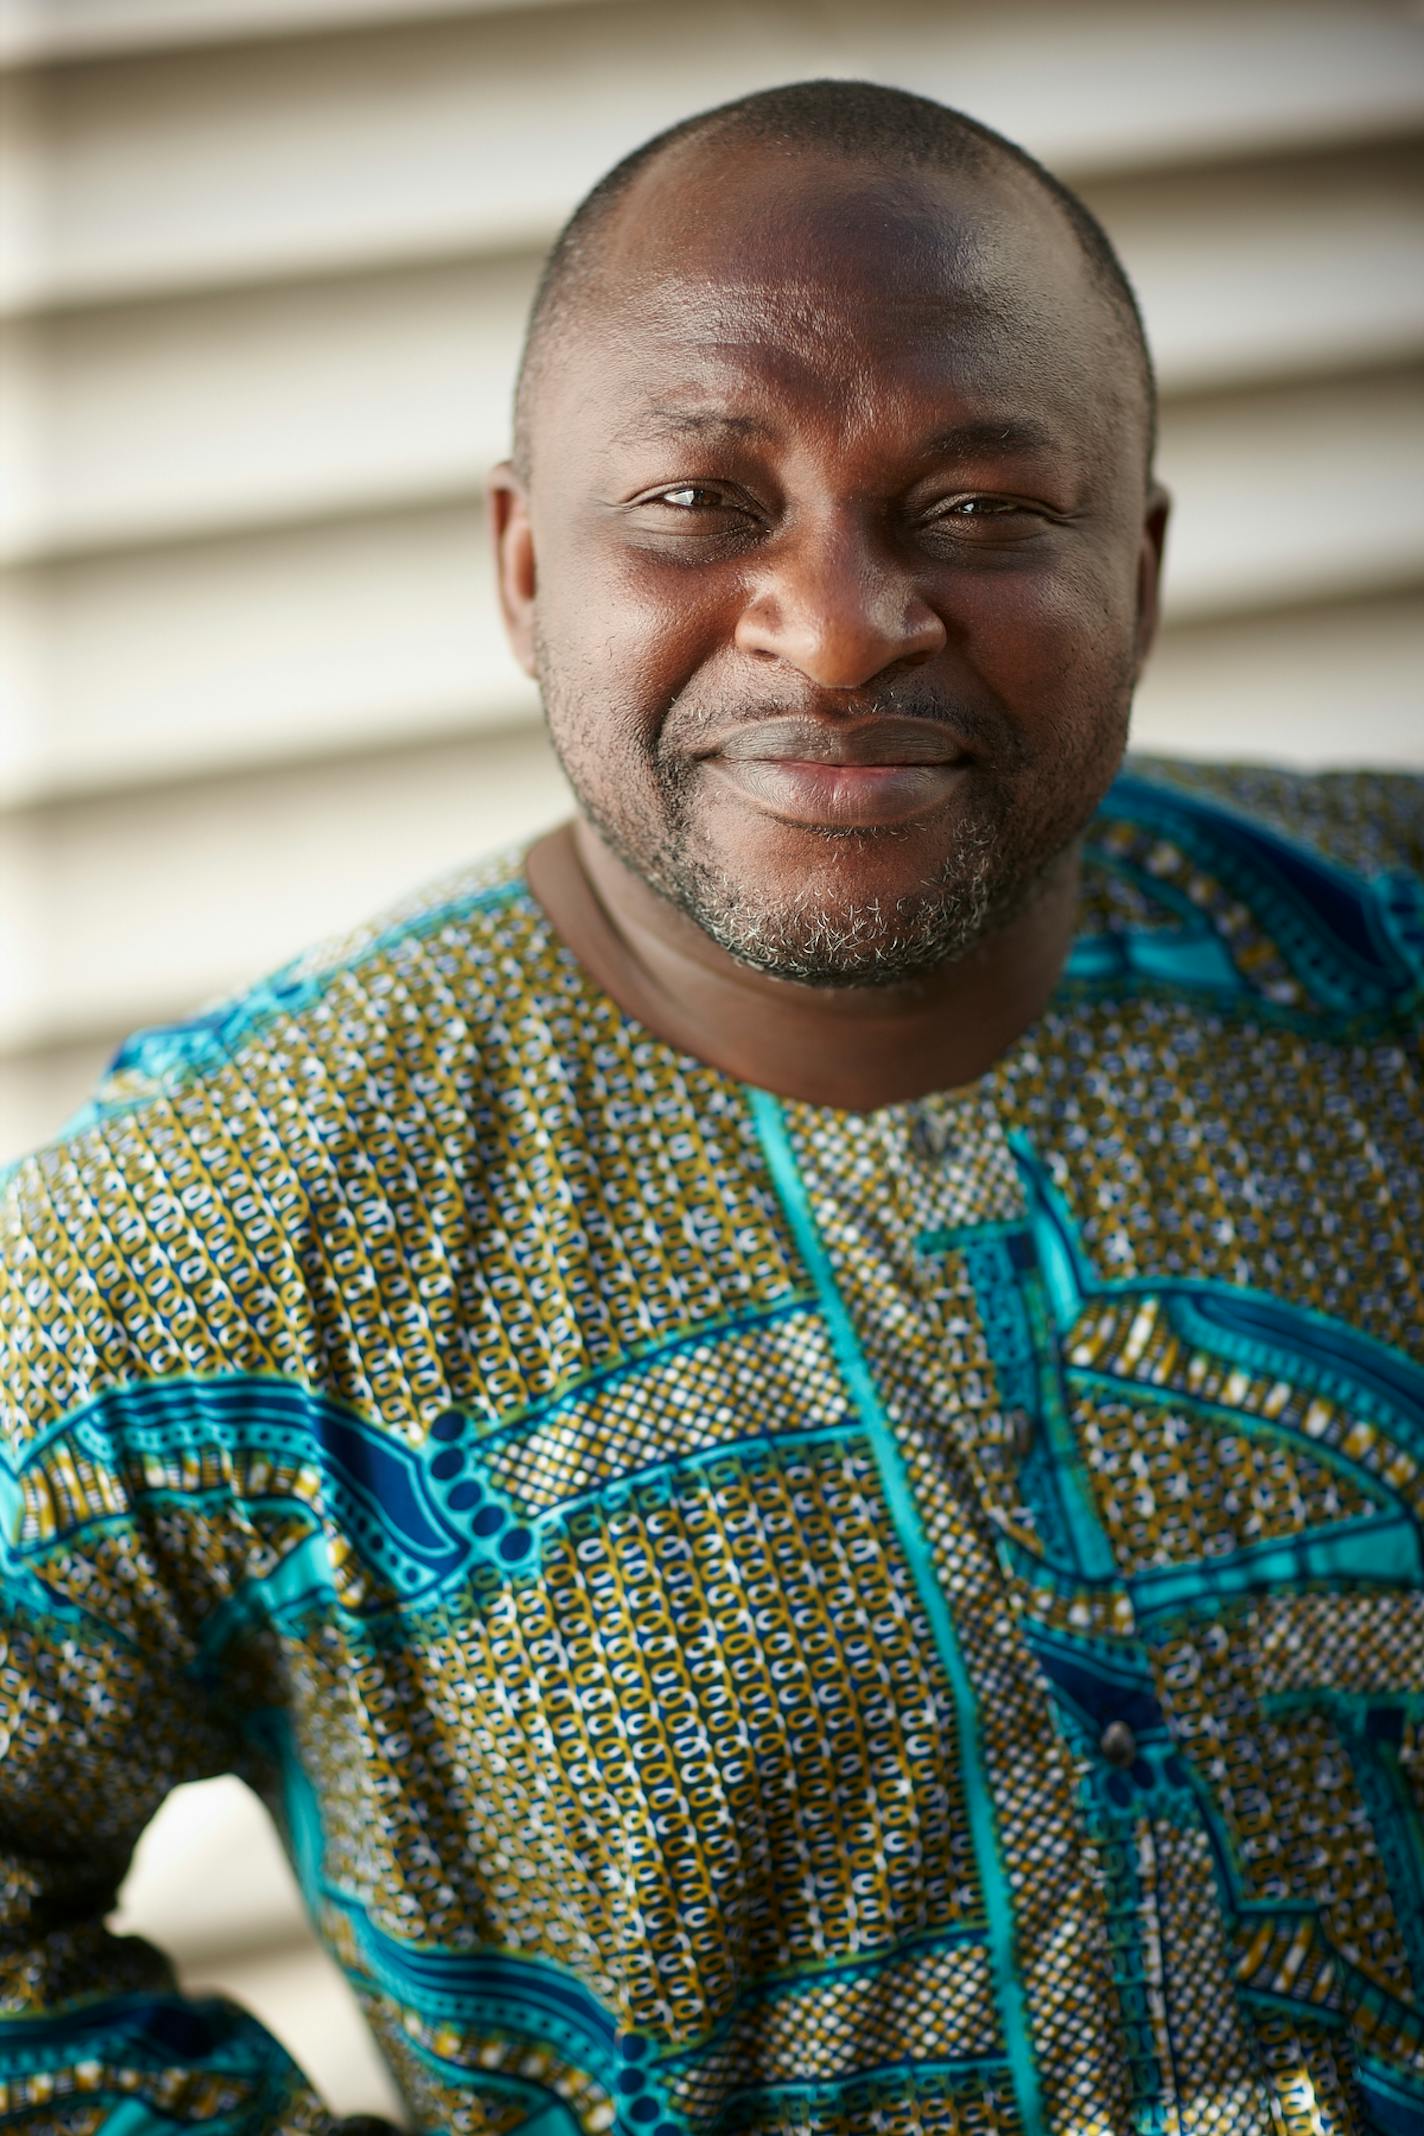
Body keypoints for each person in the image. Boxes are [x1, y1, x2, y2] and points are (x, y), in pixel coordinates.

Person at [1, 76, 1421, 2136]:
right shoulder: (229, 1220)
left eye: (978, 509)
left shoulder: (1379, 961)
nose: (840, 626)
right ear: (521, 571)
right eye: (700, 502)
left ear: (1141, 558)